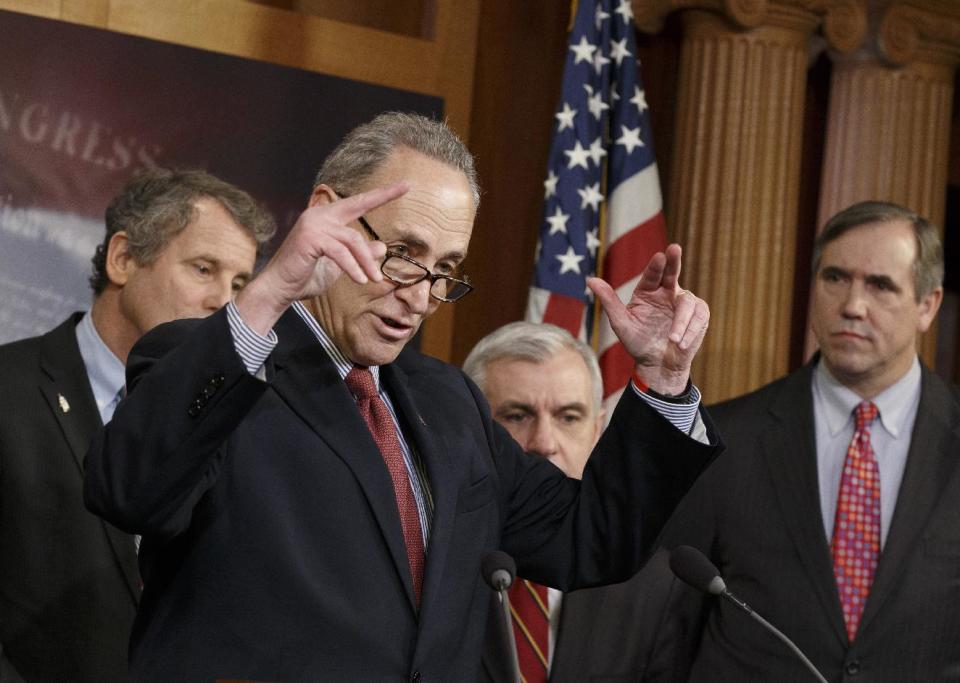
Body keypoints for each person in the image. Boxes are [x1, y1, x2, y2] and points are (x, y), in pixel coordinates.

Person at [82, 112, 719, 681]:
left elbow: (589, 539)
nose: (419, 294)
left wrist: (662, 379)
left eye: (444, 269)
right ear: (326, 216)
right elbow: (129, 489)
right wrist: (267, 295)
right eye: (403, 253)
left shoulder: (450, 402)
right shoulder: (209, 358)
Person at [647, 200, 959, 681]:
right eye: (835, 278)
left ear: (927, 305)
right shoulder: (725, 439)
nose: (853, 305)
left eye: (880, 285)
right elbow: (669, 631)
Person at [0, 168, 276, 683]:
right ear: (123, 258)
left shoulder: (235, 425)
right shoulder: (7, 390)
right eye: (203, 269)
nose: (224, 301)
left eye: (240, 283)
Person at [465, 321, 701, 682]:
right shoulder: (429, 557)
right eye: (517, 416)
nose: (544, 442)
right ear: (474, 431)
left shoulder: (654, 586)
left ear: (597, 431)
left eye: (568, 417)